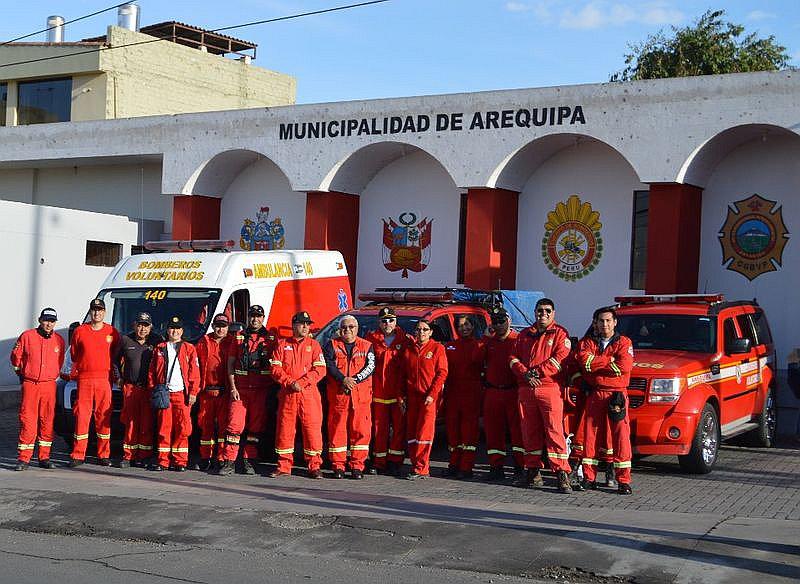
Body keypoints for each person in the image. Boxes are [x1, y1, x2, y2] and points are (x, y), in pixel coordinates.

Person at [509, 298, 573, 493]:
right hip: (527, 389)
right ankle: (533, 470)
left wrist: (535, 373)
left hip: (549, 388)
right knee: (529, 431)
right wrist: (524, 373)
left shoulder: (561, 334)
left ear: (553, 313)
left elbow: (559, 359)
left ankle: (562, 473)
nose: (542, 314)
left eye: (547, 311)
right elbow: (512, 358)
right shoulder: (524, 335)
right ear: (534, 312)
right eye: (539, 311)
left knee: (554, 431)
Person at [576, 306, 635, 495]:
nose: (605, 324)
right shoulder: (587, 343)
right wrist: (609, 361)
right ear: (596, 323)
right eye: (601, 321)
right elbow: (585, 364)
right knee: (590, 437)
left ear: (615, 322)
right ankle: (589, 478)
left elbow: (624, 367)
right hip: (595, 394)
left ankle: (623, 481)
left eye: (608, 320)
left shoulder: (624, 342)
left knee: (621, 439)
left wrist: (597, 363)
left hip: (617, 395)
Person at [217, 305, 276, 476]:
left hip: (261, 390)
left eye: (258, 316)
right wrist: (233, 387)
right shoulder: (239, 338)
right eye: (252, 316)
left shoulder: (271, 339)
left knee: (255, 428)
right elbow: (230, 364)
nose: (255, 319)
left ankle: (249, 461)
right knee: (234, 426)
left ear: (263, 317)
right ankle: (229, 462)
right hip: (240, 390)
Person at [269, 311, 326, 479]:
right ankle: (284, 465)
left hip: (308, 394)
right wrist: (289, 382)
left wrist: (301, 383)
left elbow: (320, 370)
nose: (306, 327)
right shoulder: (282, 344)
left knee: (312, 429)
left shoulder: (314, 345)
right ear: (294, 325)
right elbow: (275, 368)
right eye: (302, 323)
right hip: (288, 394)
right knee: (285, 429)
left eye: (308, 324)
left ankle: (314, 466)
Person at [10, 308, 65, 470]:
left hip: (49, 385)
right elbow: (16, 358)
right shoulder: (27, 336)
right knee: (28, 420)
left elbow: (60, 361)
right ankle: (24, 458)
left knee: (47, 421)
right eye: (46, 320)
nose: (49, 324)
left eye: (52, 321)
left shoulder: (59, 340)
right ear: (40, 320)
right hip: (30, 384)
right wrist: (23, 375)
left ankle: (44, 457)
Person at [69, 298, 121, 467]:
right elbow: (75, 354)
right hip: (84, 379)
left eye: (100, 310)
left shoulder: (112, 332)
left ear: (104, 312)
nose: (97, 313)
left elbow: (115, 354)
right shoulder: (80, 331)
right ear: (90, 312)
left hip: (104, 380)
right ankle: (78, 455)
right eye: (94, 310)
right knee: (82, 417)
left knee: (103, 417)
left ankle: (103, 454)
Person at [324, 315, 375, 479]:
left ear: (357, 328)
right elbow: (329, 364)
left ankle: (357, 466)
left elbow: (370, 366)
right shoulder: (331, 344)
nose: (347, 330)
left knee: (361, 432)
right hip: (339, 396)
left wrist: (354, 380)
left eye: (351, 327)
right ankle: (338, 466)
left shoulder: (367, 346)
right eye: (344, 327)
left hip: (360, 398)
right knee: (337, 431)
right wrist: (343, 379)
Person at [148, 316, 200, 471]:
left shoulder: (189, 348)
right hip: (165, 394)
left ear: (182, 331)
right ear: (167, 330)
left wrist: (193, 392)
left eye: (177, 329)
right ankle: (163, 461)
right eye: (172, 328)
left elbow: (195, 372)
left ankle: (180, 461)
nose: (174, 331)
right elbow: (152, 372)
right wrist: (153, 389)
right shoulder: (160, 348)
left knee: (183, 428)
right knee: (164, 428)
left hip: (182, 394)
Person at [365, 307, 412, 476]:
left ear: (396, 321)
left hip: (398, 392)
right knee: (379, 429)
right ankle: (379, 461)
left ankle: (395, 461)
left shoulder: (406, 339)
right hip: (378, 391)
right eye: (384, 321)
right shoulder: (371, 339)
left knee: (399, 429)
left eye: (391, 320)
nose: (387, 324)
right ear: (379, 322)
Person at [402, 318, 448, 480]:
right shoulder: (409, 350)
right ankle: (415, 464)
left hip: (428, 398)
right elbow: (403, 374)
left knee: (424, 433)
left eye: (425, 329)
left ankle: (422, 467)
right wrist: (403, 396)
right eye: (419, 329)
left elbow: (442, 373)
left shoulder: (437, 348)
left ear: (431, 332)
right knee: (412, 433)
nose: (421, 332)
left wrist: (432, 395)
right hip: (412, 397)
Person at [482, 306, 524, 481]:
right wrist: (485, 337)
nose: (498, 325)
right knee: (493, 431)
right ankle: (496, 466)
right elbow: (478, 359)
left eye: (502, 321)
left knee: (517, 432)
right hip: (493, 392)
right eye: (495, 322)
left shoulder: (518, 340)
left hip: (513, 392)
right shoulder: (489, 342)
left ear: (509, 321)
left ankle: (520, 467)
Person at [115, 312, 161, 468]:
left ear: (151, 327)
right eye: (140, 325)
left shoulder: (157, 341)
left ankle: (145, 456)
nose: (142, 329)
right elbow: (114, 361)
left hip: (149, 389)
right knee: (130, 423)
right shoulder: (126, 340)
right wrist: (118, 377)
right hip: (130, 388)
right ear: (134, 325)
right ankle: (129, 456)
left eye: (146, 326)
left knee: (146, 424)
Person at [443, 315, 486, 479]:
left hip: (471, 394)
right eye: (460, 326)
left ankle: (466, 467)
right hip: (453, 394)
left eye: (467, 324)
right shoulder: (449, 347)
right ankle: (453, 464)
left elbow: (479, 361)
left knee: (469, 432)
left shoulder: (479, 345)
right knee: (453, 431)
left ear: (472, 326)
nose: (464, 328)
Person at [195, 313, 236, 472]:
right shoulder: (204, 341)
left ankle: (220, 458)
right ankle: (205, 458)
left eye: (224, 326)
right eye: (218, 325)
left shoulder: (233, 343)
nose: (220, 329)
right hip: (207, 392)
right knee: (206, 426)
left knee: (223, 428)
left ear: (228, 328)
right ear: (213, 326)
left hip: (224, 392)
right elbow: (196, 364)